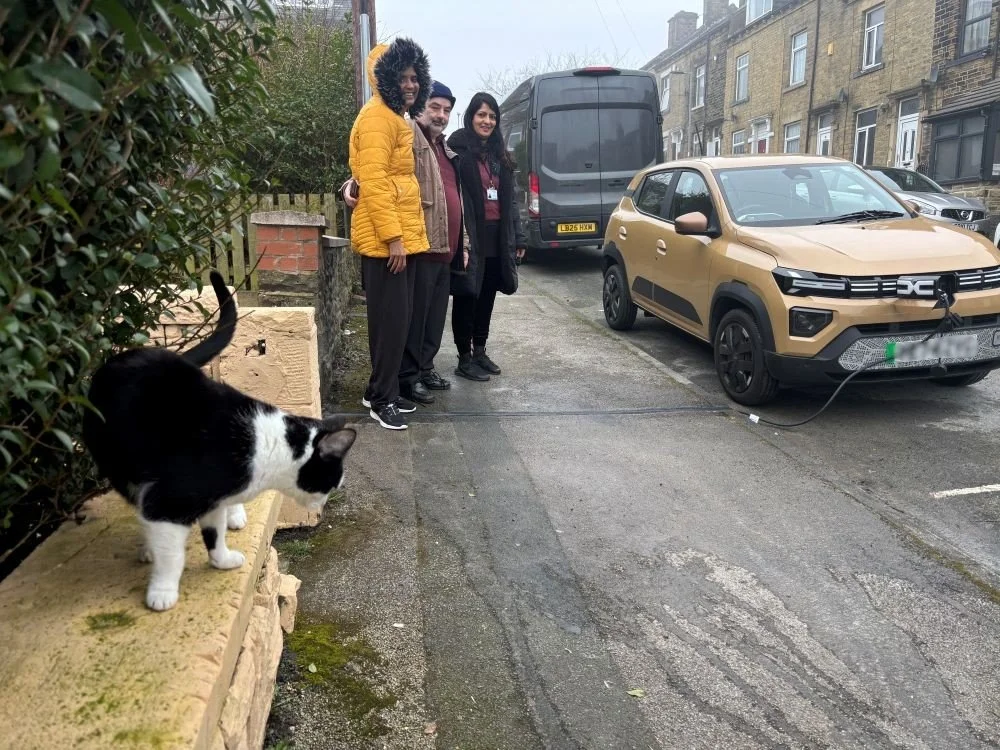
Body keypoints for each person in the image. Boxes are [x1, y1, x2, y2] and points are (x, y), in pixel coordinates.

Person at [343, 81, 467, 406]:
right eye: (435, 107)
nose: (441, 115)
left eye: (447, 110)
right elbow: (375, 169)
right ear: (420, 106)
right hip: (417, 246)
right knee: (410, 320)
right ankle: (406, 380)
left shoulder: (445, 149)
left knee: (432, 321)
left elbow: (457, 199)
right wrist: (350, 186)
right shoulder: (406, 132)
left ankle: (424, 369)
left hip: (445, 249)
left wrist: (464, 243)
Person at [348, 38, 431, 430]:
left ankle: (378, 390)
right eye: (403, 78)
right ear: (386, 79)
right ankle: (383, 401)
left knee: (397, 322)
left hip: (399, 238)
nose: (410, 85)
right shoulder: (377, 118)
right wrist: (394, 239)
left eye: (415, 78)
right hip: (386, 243)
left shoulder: (394, 117)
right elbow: (375, 182)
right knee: (390, 324)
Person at [447, 92, 526, 381]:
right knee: (468, 295)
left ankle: (480, 351)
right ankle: (464, 358)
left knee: (488, 296)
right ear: (471, 116)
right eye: (482, 115)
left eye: (492, 116)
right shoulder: (457, 150)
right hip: (471, 236)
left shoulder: (500, 154)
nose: (487, 121)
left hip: (497, 237)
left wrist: (519, 237)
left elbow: (511, 201)